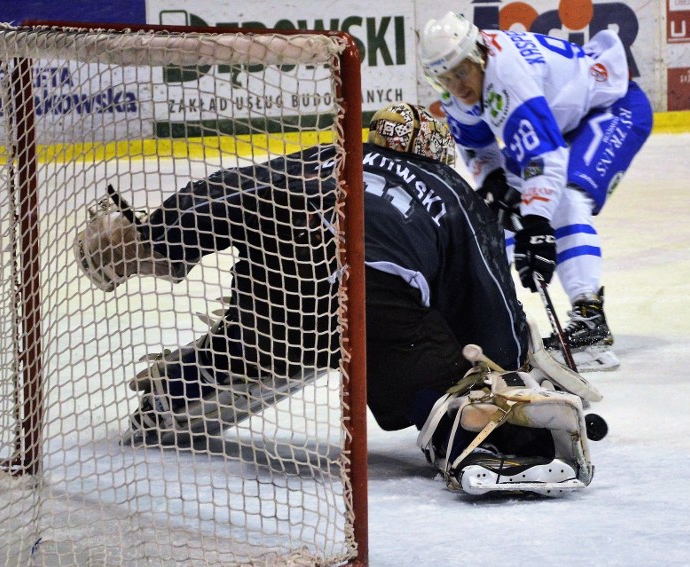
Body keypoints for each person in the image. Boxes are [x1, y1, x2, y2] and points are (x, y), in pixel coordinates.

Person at [74, 103, 603, 496]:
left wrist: (160, 239)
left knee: (256, 342)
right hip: (379, 305)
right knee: (437, 372)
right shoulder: (449, 186)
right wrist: (507, 367)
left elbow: (231, 193)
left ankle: (172, 393)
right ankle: (477, 432)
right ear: (438, 155)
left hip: (282, 290)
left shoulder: (328, 156)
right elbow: (484, 296)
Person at [418, 12, 655, 371]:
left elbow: (546, 155)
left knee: (566, 200)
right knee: (503, 215)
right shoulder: (459, 86)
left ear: (479, 55)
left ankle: (591, 324)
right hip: (558, 121)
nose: (457, 86)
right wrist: (496, 182)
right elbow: (478, 147)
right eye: (445, 78)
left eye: (462, 72)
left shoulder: (507, 76)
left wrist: (538, 224)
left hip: (611, 108)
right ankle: (500, 321)